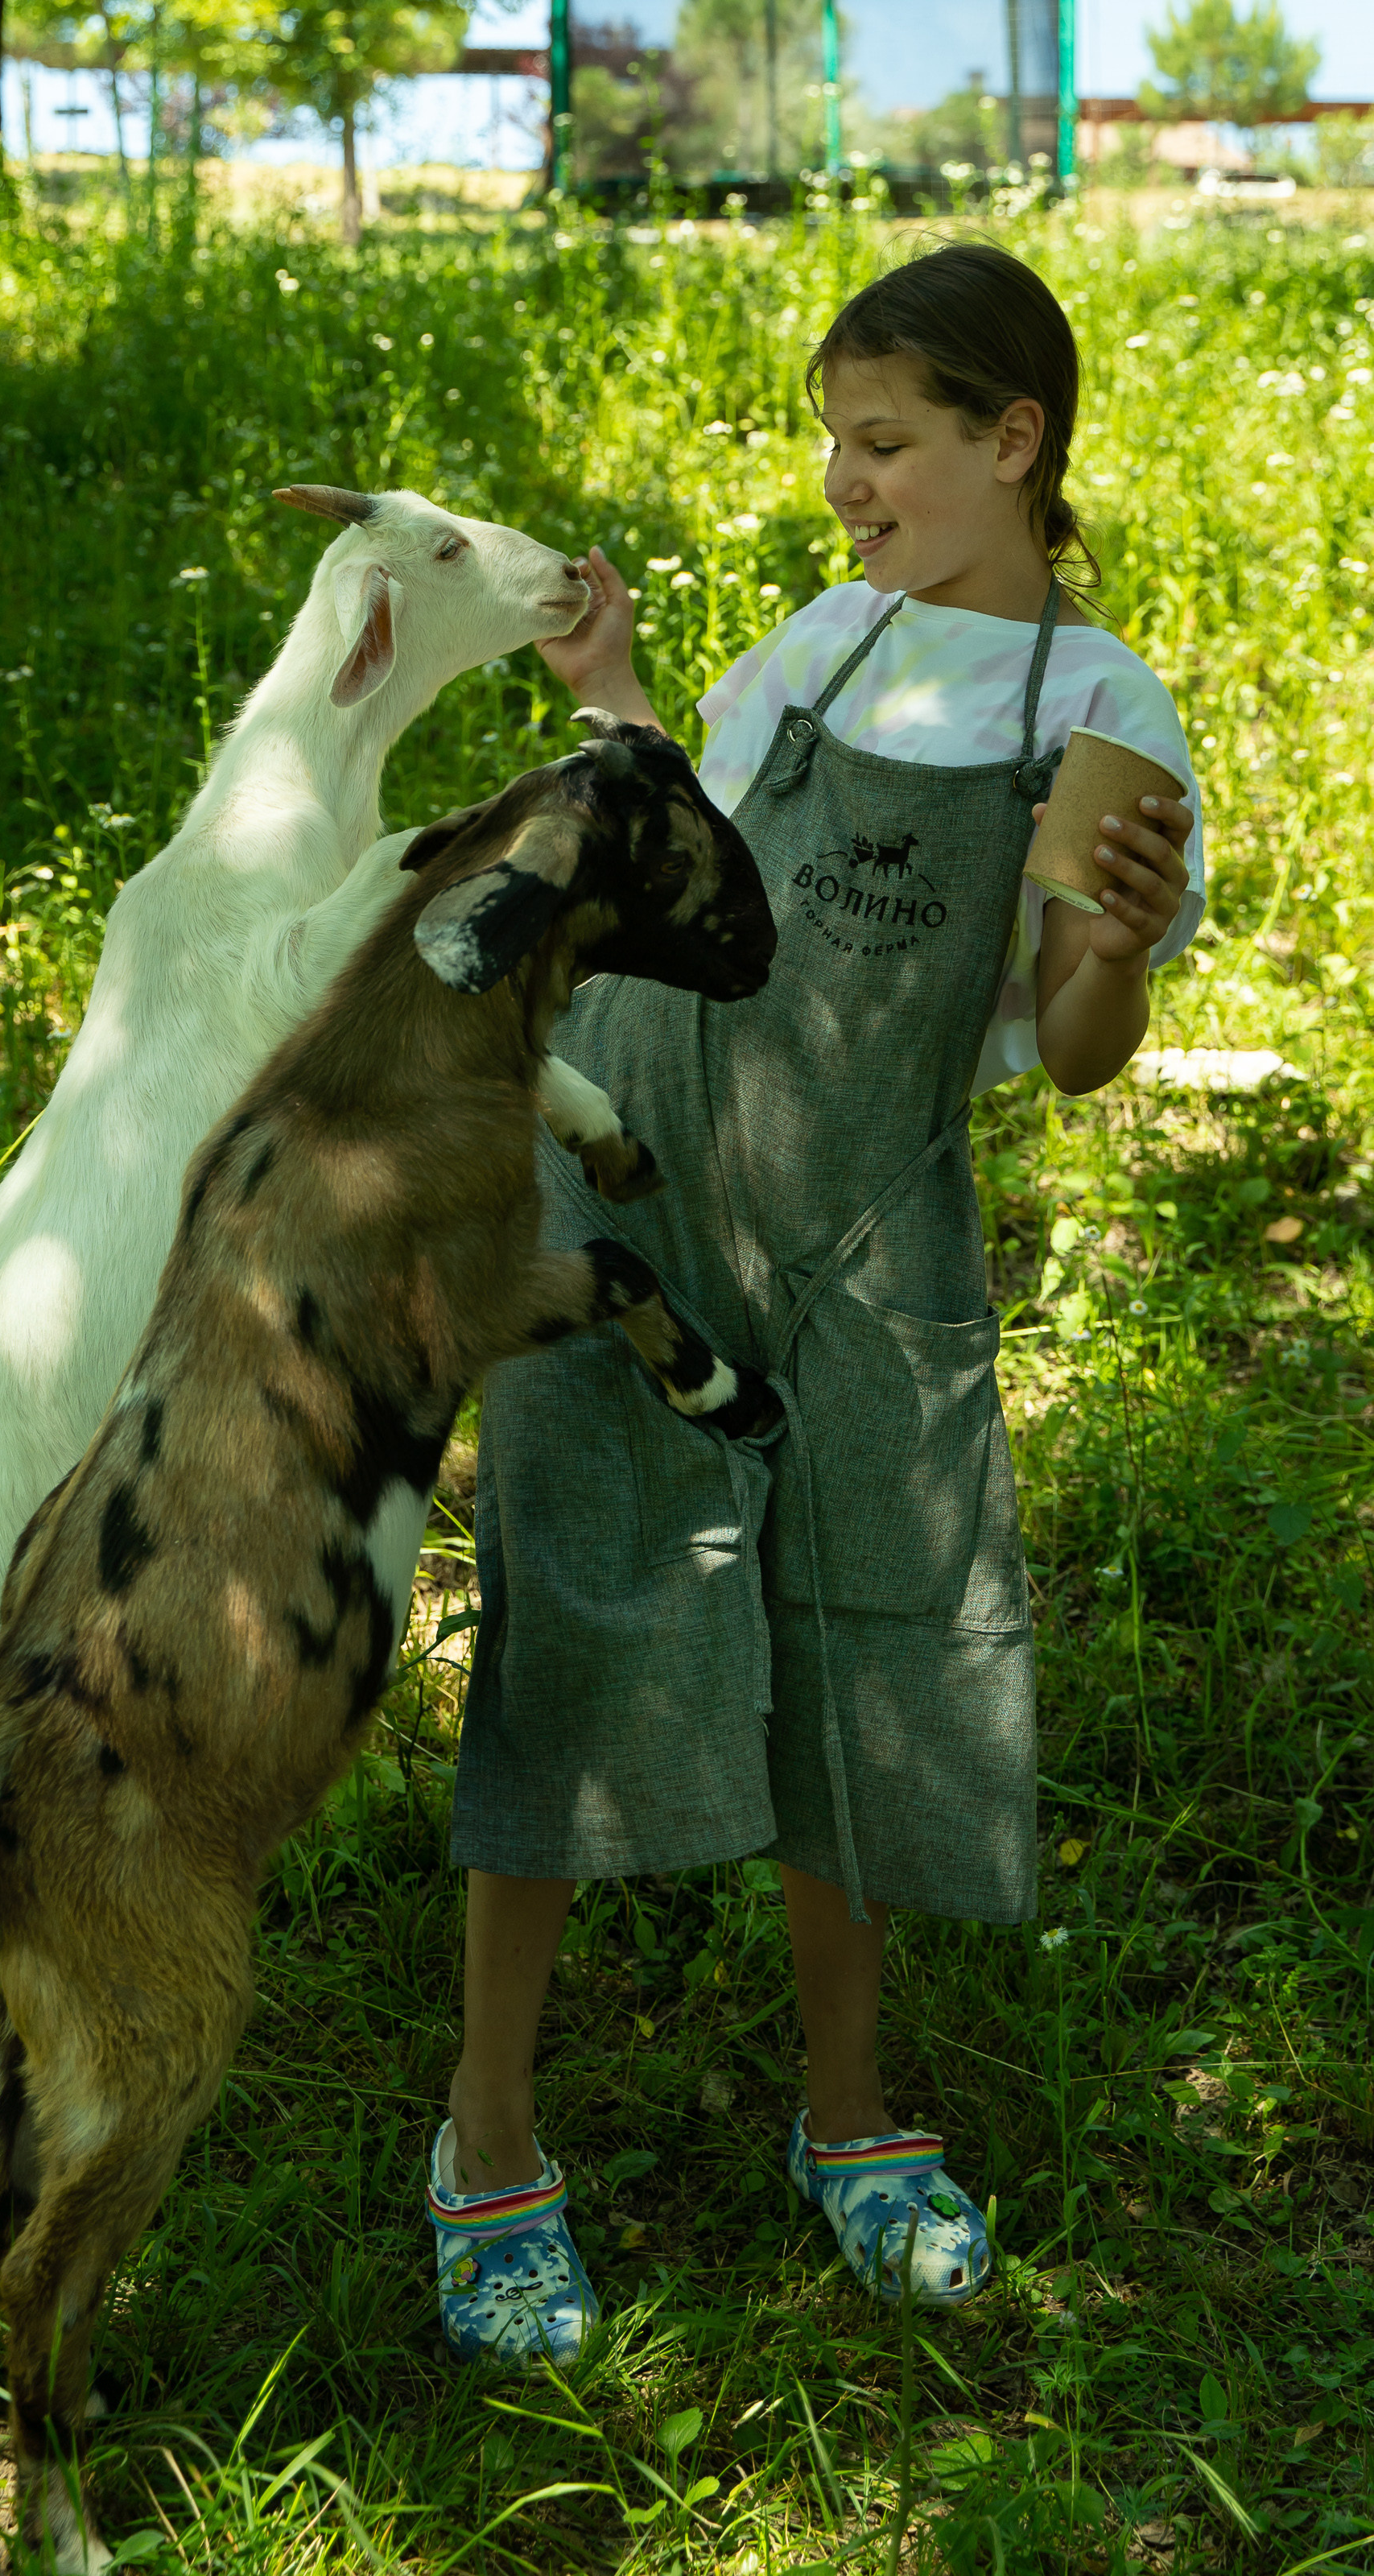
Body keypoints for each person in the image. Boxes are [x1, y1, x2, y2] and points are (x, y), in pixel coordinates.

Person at [423, 241, 1206, 2361]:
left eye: (884, 444)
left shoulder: (1096, 716)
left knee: (857, 1685)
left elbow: (1078, 1031)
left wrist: (1118, 958)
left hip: (870, 1258)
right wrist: (618, 703)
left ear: (1008, 441)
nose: (845, 486)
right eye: (834, 443)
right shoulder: (826, 642)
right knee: (575, 1646)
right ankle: (486, 2141)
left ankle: (849, 2126)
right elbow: (694, 863)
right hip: (645, 1199)